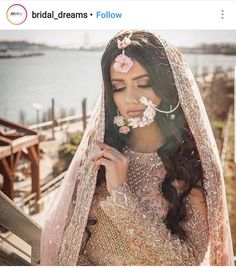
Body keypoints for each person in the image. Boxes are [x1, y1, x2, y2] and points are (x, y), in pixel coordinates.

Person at [40, 30, 234, 265]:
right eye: (119, 87)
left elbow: (188, 262)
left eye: (143, 83)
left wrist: (121, 195)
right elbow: (70, 249)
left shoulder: (191, 166)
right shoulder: (99, 156)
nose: (130, 97)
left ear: (167, 88)